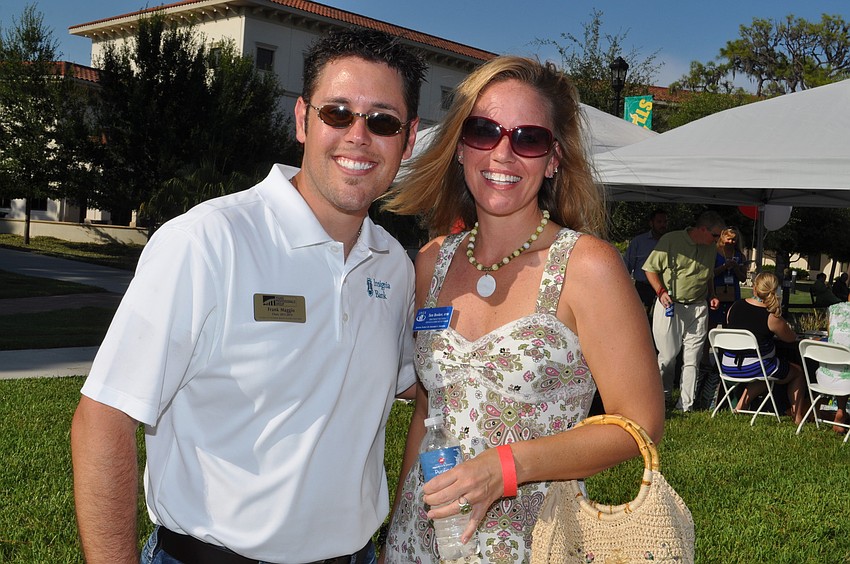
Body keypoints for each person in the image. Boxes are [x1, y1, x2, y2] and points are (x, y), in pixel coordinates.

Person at [70, 28, 427, 564]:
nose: (358, 135)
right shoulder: (208, 241)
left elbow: (416, 384)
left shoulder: (393, 265)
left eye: (382, 121)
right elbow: (103, 419)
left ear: (409, 138)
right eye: (337, 113)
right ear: (303, 119)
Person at [378, 56, 663, 563]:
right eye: (484, 131)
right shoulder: (431, 263)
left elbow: (638, 423)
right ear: (461, 147)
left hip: (532, 541)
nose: (503, 152)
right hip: (420, 541)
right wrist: (393, 538)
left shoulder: (587, 266)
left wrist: (506, 467)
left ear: (553, 159)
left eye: (528, 138)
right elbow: (426, 410)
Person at [643, 210, 724, 412]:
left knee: (692, 358)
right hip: (670, 305)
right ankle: (662, 398)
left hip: (698, 307)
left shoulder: (711, 247)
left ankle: (685, 405)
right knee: (668, 356)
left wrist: (712, 294)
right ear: (702, 229)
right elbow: (650, 269)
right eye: (715, 235)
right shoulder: (671, 240)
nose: (717, 239)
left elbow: (709, 274)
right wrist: (661, 291)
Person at [720, 272, 808, 424]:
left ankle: (741, 405)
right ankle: (797, 417)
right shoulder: (771, 317)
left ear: (755, 288)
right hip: (753, 367)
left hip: (728, 366)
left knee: (764, 371)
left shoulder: (735, 306)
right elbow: (790, 338)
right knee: (797, 372)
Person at [816, 293, 850, 433]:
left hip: (824, 379)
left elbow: (831, 337)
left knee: (842, 369)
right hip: (846, 382)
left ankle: (840, 410)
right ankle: (841, 411)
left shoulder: (833, 309)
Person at [623, 208, 668, 309]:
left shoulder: (670, 242)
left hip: (664, 287)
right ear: (651, 223)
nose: (663, 225)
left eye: (665, 222)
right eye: (659, 222)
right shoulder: (639, 242)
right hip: (643, 288)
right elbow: (627, 265)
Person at [710, 227, 748, 327]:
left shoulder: (740, 256)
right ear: (722, 237)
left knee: (729, 322)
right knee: (712, 322)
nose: (731, 242)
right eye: (729, 239)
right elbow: (710, 274)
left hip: (733, 293)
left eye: (734, 239)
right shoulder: (714, 253)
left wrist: (735, 268)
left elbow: (743, 278)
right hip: (716, 291)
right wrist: (724, 267)